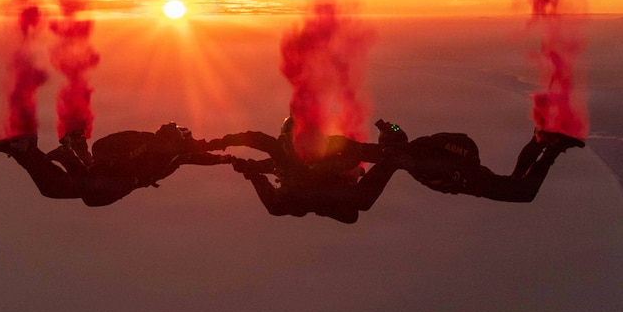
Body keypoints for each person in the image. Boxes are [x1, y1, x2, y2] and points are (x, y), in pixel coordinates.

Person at [0, 122, 234, 207]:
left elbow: (201, 153)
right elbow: (113, 154)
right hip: (113, 181)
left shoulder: (176, 153)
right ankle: (66, 154)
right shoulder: (154, 145)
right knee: (93, 196)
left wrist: (229, 158)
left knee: (51, 189)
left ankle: (24, 149)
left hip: (112, 179)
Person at [218, 117, 400, 224]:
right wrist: (250, 170)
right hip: (315, 198)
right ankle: (392, 161)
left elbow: (358, 152)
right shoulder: (284, 157)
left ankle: (393, 161)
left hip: (323, 195)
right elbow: (267, 162)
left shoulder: (329, 147)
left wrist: (385, 155)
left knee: (357, 207)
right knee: (357, 206)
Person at [374, 119, 584, 203]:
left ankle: (554, 147)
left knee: (525, 193)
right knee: (516, 180)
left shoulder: (414, 158)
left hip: (475, 182)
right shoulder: (422, 145)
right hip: (473, 177)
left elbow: (427, 166)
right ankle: (540, 139)